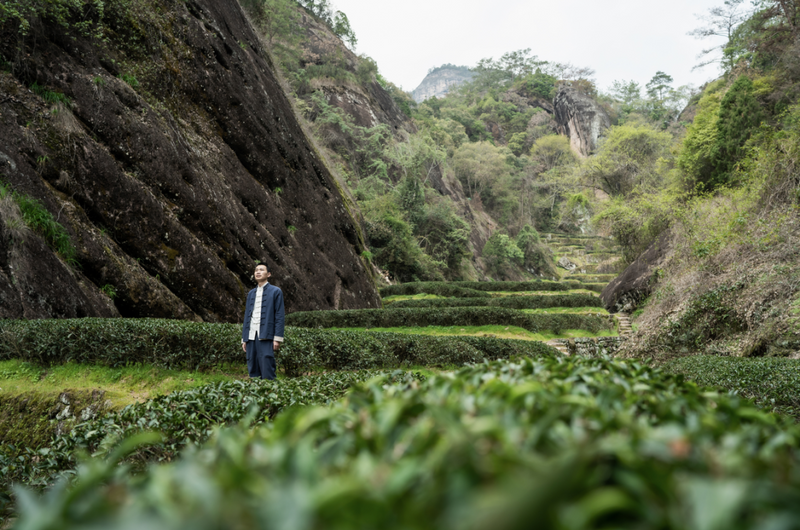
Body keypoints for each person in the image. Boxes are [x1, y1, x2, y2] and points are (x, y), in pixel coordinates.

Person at [241, 262, 285, 380]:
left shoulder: (276, 291)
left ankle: (270, 393)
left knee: (267, 364)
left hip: (267, 335)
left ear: (269, 274)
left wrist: (277, 338)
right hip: (251, 336)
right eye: (256, 270)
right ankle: (255, 395)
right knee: (252, 365)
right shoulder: (251, 293)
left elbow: (280, 316)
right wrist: (244, 338)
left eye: (261, 270)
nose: (258, 272)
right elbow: (247, 317)